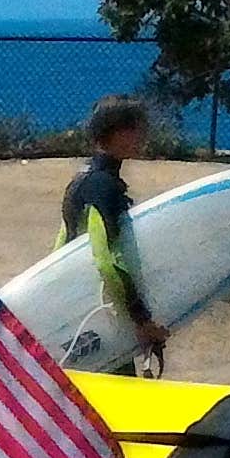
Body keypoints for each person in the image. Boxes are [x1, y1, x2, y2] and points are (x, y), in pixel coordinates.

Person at [60, 95, 167, 364]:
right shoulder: (103, 187)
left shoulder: (81, 179)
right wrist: (142, 320)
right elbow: (108, 261)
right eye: (136, 129)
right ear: (117, 132)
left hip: (79, 309)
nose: (143, 135)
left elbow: (62, 244)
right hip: (103, 315)